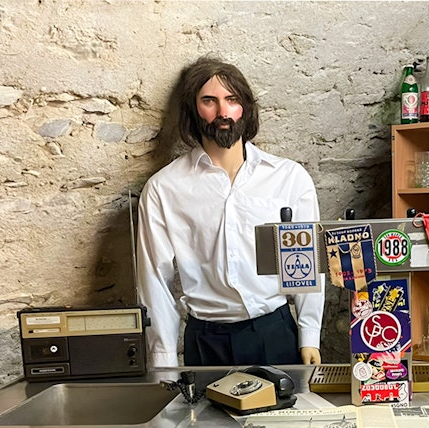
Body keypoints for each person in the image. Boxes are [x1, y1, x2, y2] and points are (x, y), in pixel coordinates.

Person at [136, 57, 324, 367]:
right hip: (205, 341)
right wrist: (165, 361)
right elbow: (154, 279)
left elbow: (306, 267)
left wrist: (309, 335)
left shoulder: (289, 178)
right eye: (209, 101)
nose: (223, 112)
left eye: (231, 99)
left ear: (245, 107)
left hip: (273, 332)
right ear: (193, 110)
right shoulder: (164, 188)